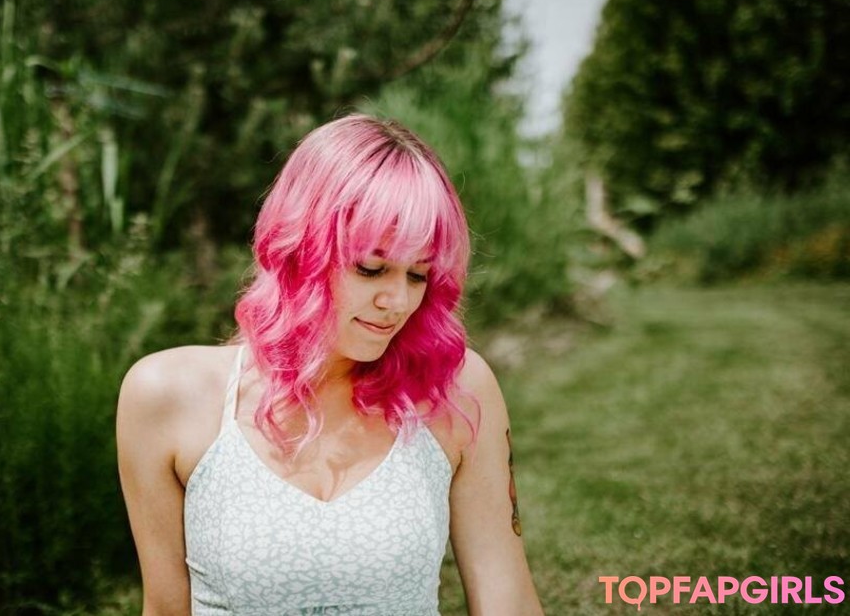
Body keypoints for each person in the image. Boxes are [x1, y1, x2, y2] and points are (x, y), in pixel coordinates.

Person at [116, 114, 543, 615]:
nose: (398, 302)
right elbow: (166, 608)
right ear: (300, 249)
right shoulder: (167, 396)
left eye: (418, 275)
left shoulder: (454, 389)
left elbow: (506, 598)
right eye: (371, 268)